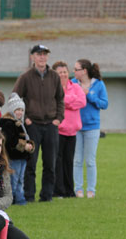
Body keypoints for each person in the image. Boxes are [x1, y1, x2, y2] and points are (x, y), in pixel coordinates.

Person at [12, 44, 64, 202]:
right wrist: (25, 117)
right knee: (31, 163)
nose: (42, 57)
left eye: (45, 54)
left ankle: (47, 196)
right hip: (32, 124)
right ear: (32, 57)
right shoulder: (25, 77)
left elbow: (60, 99)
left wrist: (58, 119)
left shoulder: (54, 76)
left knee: (50, 163)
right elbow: (15, 97)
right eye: (39, 54)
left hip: (50, 125)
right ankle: (29, 195)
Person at [72, 59, 108, 198]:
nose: (74, 72)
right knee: (77, 160)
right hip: (76, 126)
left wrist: (89, 95)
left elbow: (104, 104)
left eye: (76, 69)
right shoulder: (73, 83)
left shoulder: (99, 85)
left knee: (90, 160)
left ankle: (91, 190)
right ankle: (78, 189)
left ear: (84, 71)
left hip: (92, 127)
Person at [51, 61, 86, 198]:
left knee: (69, 161)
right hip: (58, 130)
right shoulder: (53, 88)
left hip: (72, 131)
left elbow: (82, 102)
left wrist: (65, 100)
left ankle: (69, 191)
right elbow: (54, 102)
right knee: (57, 162)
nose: (63, 75)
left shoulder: (76, 87)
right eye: (60, 72)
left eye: (65, 72)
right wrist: (72, 102)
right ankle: (58, 191)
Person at [0, 93, 35, 205]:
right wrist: (24, 145)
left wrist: (28, 146)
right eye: (17, 110)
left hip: (22, 156)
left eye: (21, 110)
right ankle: (13, 198)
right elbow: (10, 141)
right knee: (14, 179)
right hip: (14, 156)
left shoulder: (20, 123)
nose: (20, 112)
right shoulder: (8, 123)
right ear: (12, 110)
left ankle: (20, 198)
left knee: (20, 179)